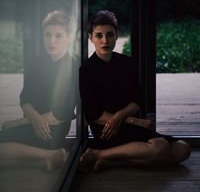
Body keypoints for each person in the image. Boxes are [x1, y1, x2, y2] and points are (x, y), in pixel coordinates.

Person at [79, 10, 191, 172]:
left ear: (117, 35)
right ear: (91, 38)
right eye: (99, 35)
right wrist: (134, 121)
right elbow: (94, 114)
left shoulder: (127, 63)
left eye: (110, 34)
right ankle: (98, 152)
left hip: (129, 124)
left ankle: (107, 159)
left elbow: (137, 100)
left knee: (183, 149)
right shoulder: (86, 70)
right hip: (108, 131)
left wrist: (121, 116)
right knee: (160, 147)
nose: (105, 40)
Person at [0, 11, 77, 171]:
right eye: (47, 35)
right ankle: (46, 157)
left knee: (4, 137)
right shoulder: (36, 63)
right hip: (35, 122)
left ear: (69, 37)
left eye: (58, 35)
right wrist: (34, 119)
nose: (51, 41)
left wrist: (19, 122)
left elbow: (60, 114)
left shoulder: (73, 68)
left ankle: (50, 154)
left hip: (51, 130)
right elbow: (25, 98)